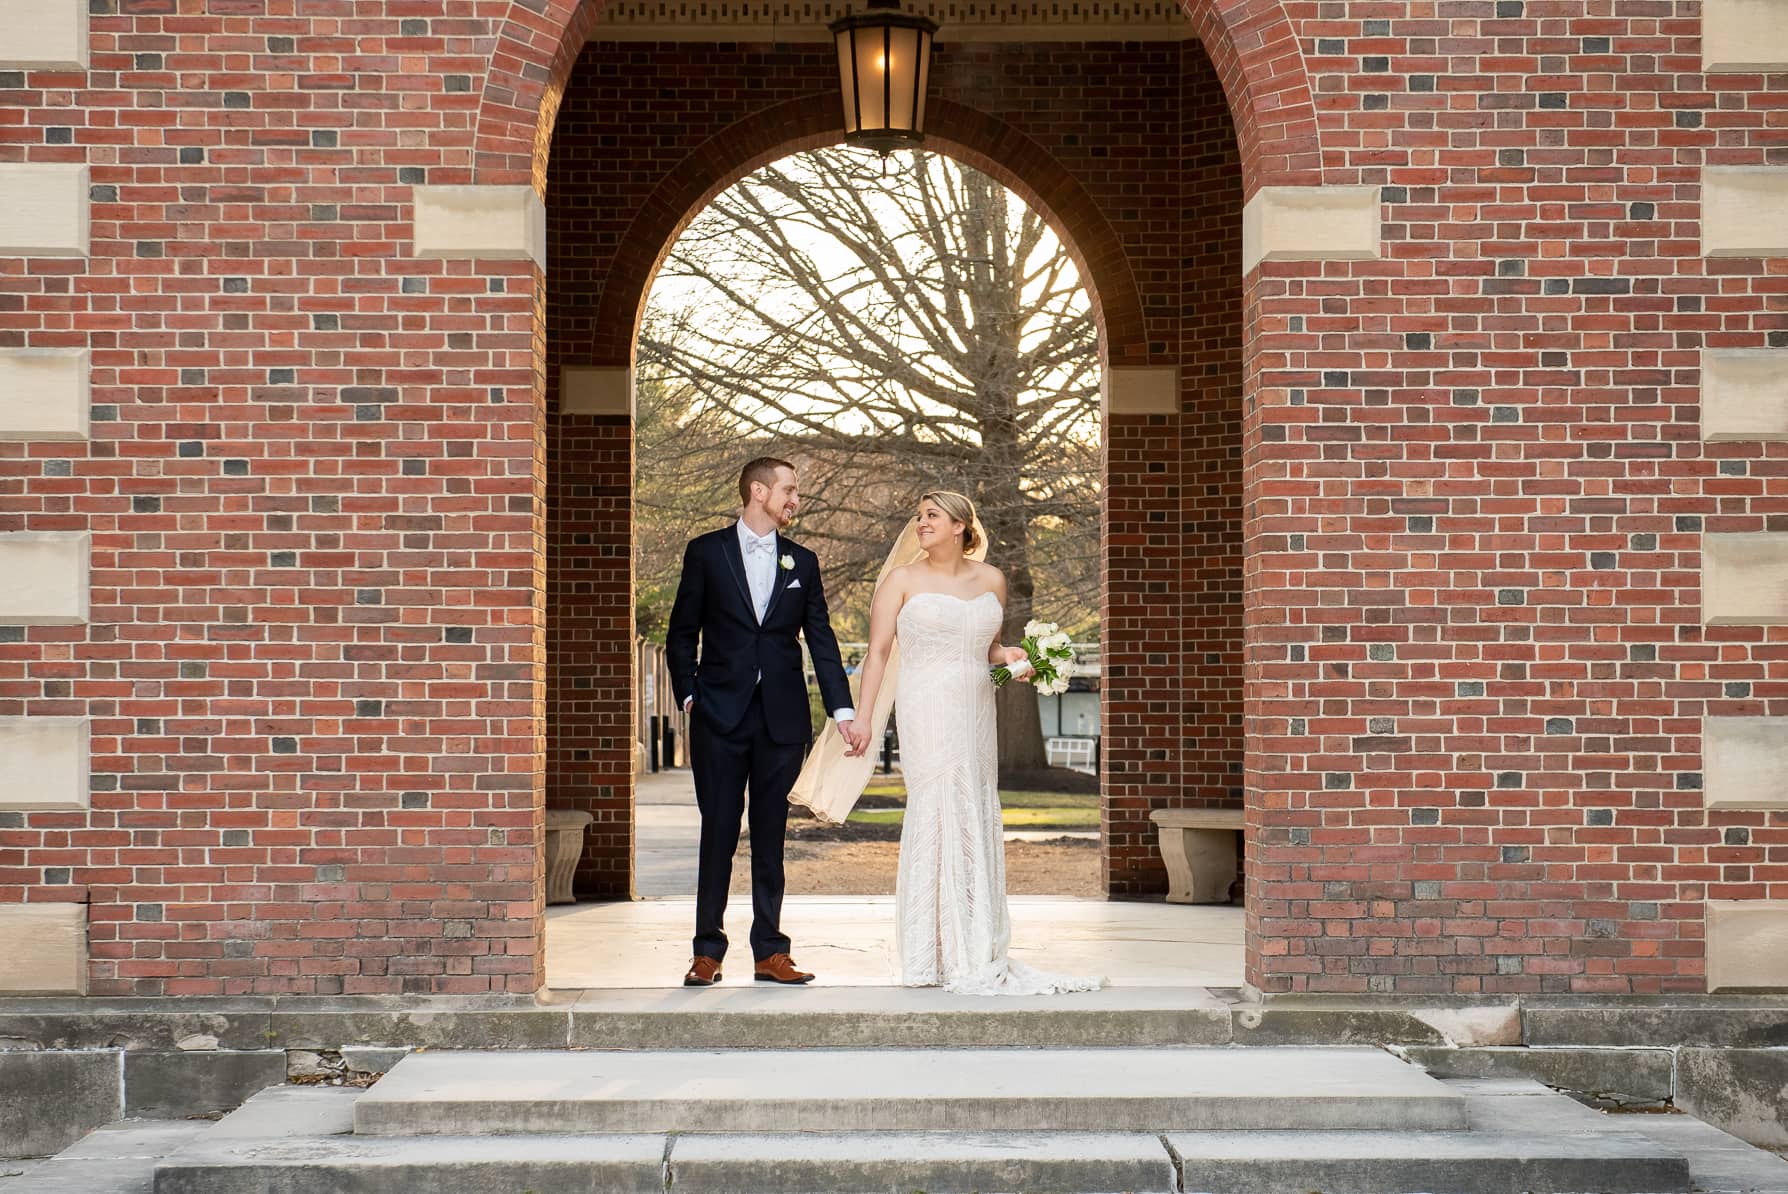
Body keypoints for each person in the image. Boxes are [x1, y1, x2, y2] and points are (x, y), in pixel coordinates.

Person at [843, 490, 1104, 996]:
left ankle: (976, 942)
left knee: (973, 808)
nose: (920, 524)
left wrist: (1022, 660)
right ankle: (929, 952)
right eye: (918, 516)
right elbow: (876, 655)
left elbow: (987, 652)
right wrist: (866, 719)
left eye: (931, 516)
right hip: (925, 705)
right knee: (937, 804)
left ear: (961, 525)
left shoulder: (992, 580)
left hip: (976, 706)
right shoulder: (901, 580)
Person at [665, 457, 868, 987]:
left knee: (772, 836)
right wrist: (689, 696)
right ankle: (706, 951)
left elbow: (822, 640)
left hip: (782, 720)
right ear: (759, 491)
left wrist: (842, 711)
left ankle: (770, 952)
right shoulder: (706, 553)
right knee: (718, 833)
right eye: (789, 491)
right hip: (719, 717)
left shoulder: (803, 560)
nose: (795, 500)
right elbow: (682, 632)